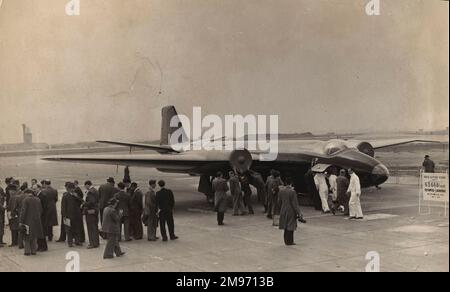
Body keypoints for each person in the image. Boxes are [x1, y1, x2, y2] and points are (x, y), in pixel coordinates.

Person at [278, 177, 305, 246]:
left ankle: (286, 241)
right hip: (291, 211)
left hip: (283, 209)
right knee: (291, 226)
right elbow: (295, 204)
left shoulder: (281, 191)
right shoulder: (292, 192)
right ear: (291, 183)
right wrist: (299, 213)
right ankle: (290, 241)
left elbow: (279, 202)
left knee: (285, 226)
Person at [19, 189, 44, 256]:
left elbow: (23, 211)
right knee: (34, 236)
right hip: (36, 220)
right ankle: (33, 251)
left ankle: (27, 251)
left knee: (27, 236)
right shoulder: (38, 199)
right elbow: (41, 210)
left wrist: (21, 221)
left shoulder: (26, 200)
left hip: (27, 221)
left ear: (27, 193)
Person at [63, 182, 84, 247]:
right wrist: (64, 215)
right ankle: (70, 242)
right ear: (68, 189)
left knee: (77, 228)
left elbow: (82, 201)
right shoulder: (65, 196)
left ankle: (77, 241)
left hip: (77, 215)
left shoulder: (76, 195)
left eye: (73, 188)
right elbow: (63, 207)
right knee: (69, 230)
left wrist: (77, 196)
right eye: (71, 189)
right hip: (69, 215)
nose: (72, 190)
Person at [83, 181, 100, 249]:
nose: (85, 187)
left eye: (85, 186)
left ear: (87, 185)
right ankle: (96, 242)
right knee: (95, 227)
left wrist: (84, 204)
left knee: (91, 228)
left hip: (90, 211)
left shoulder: (90, 192)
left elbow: (91, 202)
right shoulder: (95, 190)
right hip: (95, 211)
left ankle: (92, 243)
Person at [34, 184, 48, 252]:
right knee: (39, 232)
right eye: (33, 189)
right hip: (39, 216)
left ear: (39, 188)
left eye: (35, 189)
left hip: (42, 217)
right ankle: (40, 246)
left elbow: (44, 208)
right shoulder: (37, 196)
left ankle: (43, 247)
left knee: (42, 232)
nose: (34, 190)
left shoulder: (42, 196)